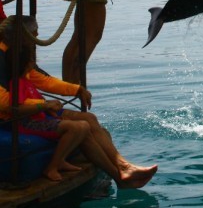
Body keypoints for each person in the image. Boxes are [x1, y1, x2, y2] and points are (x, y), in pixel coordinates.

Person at [1, 16, 157, 186]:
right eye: (34, 34)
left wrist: (76, 89)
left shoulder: (18, 51)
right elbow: (5, 102)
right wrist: (42, 105)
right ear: (23, 35)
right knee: (81, 127)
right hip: (12, 118)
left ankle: (123, 165)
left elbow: (42, 80)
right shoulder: (3, 56)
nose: (37, 38)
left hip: (34, 110)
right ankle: (119, 176)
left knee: (89, 119)